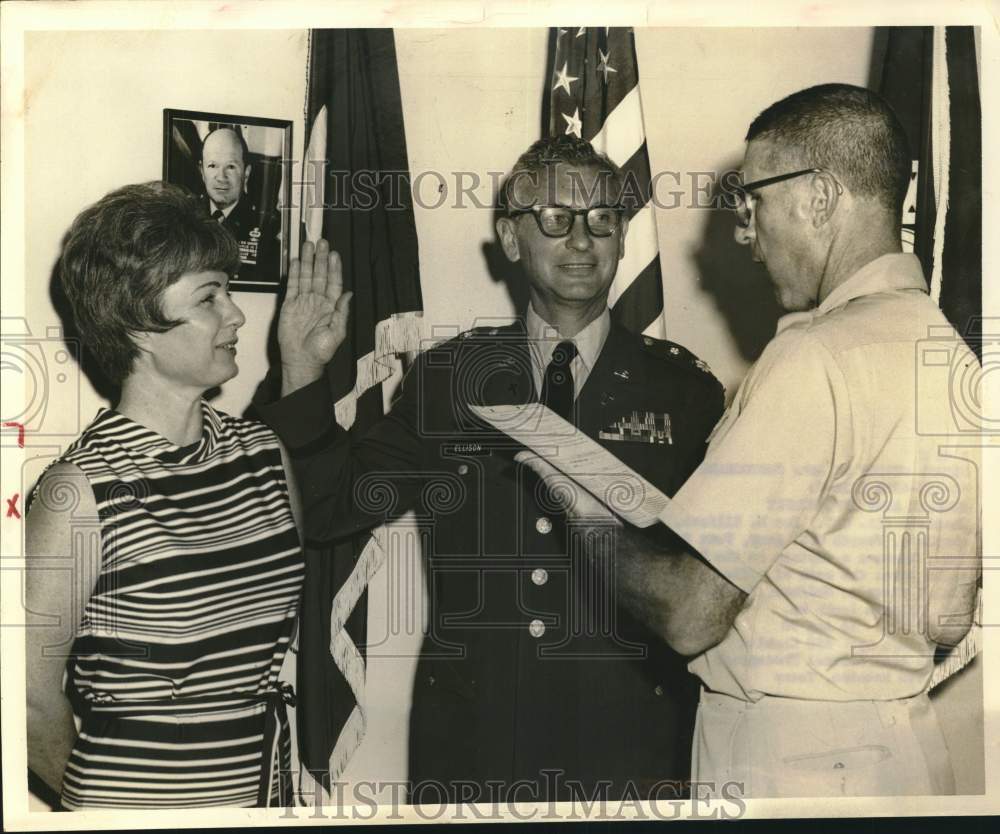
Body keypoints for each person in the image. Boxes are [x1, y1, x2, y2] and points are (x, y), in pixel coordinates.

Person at [520, 84, 981, 798]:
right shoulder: (952, 355)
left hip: (791, 756)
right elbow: (952, 618)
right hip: (905, 746)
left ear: (821, 198)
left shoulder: (815, 357)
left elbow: (689, 615)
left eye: (756, 199)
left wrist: (584, 508)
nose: (746, 231)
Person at [255, 135, 725, 801]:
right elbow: (330, 507)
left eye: (603, 221)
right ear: (511, 238)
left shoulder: (683, 390)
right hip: (476, 747)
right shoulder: (450, 378)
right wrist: (301, 369)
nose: (583, 242)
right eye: (557, 221)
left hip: (631, 742)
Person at [25, 182, 308, 809]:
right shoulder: (79, 493)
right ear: (138, 327)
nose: (236, 314)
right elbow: (26, 697)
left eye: (227, 291)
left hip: (267, 798)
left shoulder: (263, 455)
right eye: (210, 296)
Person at [199, 126, 280, 284]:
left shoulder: (269, 228)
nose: (221, 177)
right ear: (202, 171)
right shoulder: (184, 218)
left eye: (231, 166)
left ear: (246, 173)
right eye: (212, 166)